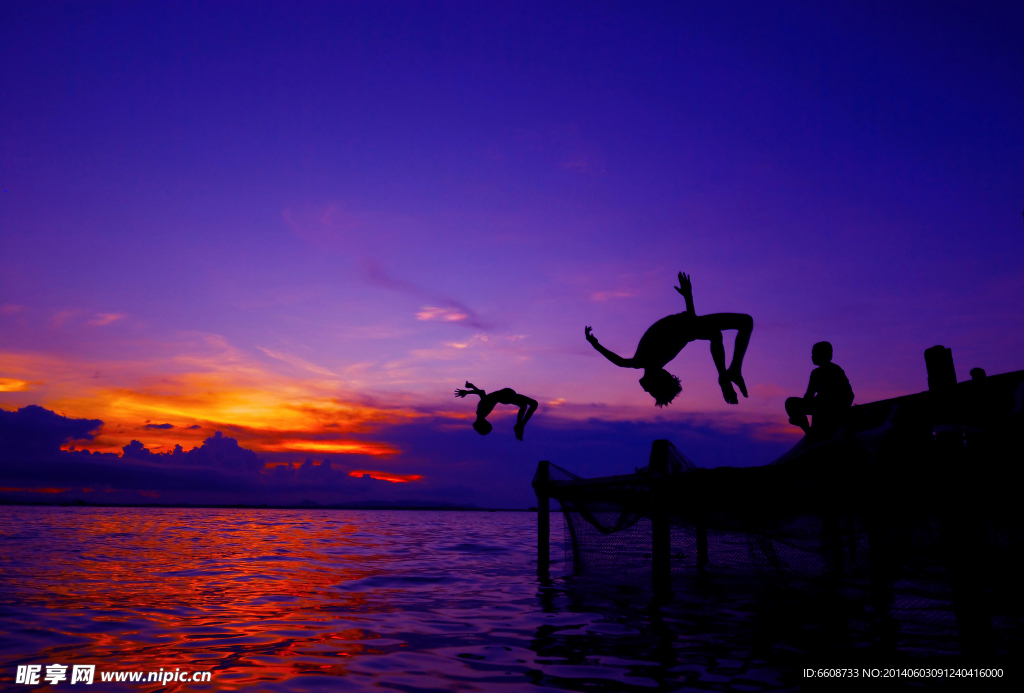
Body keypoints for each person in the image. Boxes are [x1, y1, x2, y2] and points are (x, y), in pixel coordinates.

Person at [585, 272, 753, 406]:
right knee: (737, 325)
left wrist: (596, 345)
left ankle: (728, 373)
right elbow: (690, 324)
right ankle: (729, 372)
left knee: (722, 332)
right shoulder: (653, 357)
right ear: (659, 379)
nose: (645, 391)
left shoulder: (642, 361)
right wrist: (688, 296)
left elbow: (620, 362)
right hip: (687, 326)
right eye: (651, 391)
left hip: (687, 327)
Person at [785, 341, 854, 436]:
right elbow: (809, 395)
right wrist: (797, 413)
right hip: (820, 405)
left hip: (833, 406)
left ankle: (812, 431)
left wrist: (842, 409)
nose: (812, 357)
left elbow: (848, 394)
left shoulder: (835, 370)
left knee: (819, 409)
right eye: (812, 354)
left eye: (814, 354)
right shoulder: (815, 373)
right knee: (791, 403)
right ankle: (808, 431)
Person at [454, 382, 538, 441]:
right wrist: (469, 390)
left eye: (478, 430)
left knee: (525, 405)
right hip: (504, 396)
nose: (475, 429)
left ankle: (520, 425)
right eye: (478, 430)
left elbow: (482, 393)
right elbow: (482, 394)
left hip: (504, 395)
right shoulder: (482, 412)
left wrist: (470, 389)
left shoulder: (482, 412)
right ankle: (520, 425)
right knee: (532, 404)